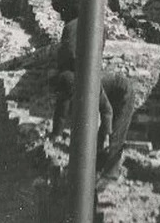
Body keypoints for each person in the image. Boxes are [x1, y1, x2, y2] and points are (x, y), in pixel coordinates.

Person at [50, 18, 136, 179]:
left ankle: (101, 151)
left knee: (106, 105)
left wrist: (56, 132)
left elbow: (62, 105)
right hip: (86, 76)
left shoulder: (69, 26)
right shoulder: (98, 25)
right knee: (124, 89)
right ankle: (109, 162)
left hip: (75, 75)